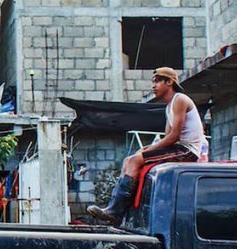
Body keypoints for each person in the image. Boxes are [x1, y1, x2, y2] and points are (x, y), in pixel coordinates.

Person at [88, 67, 208, 225]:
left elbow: (174, 136)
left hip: (187, 151)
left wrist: (149, 150)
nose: (153, 86)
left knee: (135, 160)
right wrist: (146, 148)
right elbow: (167, 137)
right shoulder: (169, 107)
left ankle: (115, 212)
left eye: (157, 81)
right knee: (129, 160)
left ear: (169, 82)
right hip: (177, 148)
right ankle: (116, 208)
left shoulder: (180, 99)